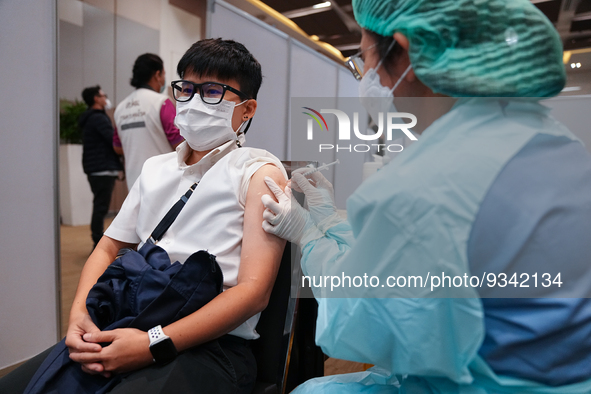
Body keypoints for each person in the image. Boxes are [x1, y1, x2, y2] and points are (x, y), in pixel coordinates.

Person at [262, 0, 591, 393]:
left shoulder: (427, 179)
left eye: (364, 58)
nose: (366, 75)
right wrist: (332, 221)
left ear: (406, 52)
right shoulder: (560, 143)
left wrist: (311, 238)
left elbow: (358, 326)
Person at [0, 38, 287, 394]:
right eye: (186, 89)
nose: (195, 101)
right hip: (129, 319)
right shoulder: (156, 168)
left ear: (247, 109)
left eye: (213, 91)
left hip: (211, 346)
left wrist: (154, 342)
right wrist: (78, 316)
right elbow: (107, 248)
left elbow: (253, 292)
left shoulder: (259, 171)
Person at [113, 53, 184, 190]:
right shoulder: (161, 102)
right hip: (162, 180)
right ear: (157, 75)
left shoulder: (121, 108)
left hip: (133, 182)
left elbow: (117, 147)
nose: (164, 79)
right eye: (163, 74)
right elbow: (179, 142)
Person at [80, 85, 123, 248]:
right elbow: (112, 141)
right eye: (103, 95)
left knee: (99, 204)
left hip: (95, 168)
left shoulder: (90, 118)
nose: (106, 98)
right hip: (103, 167)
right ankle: (98, 240)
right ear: (96, 99)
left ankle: (97, 237)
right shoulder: (98, 118)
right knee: (101, 206)